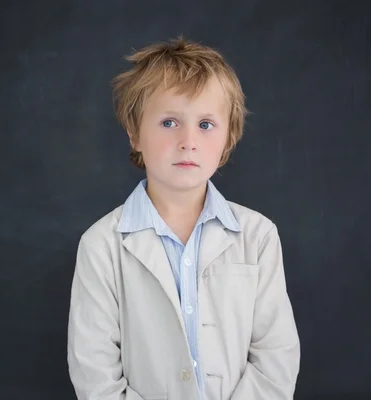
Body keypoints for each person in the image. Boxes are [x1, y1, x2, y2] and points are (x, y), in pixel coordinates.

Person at [67, 36, 300, 400]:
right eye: (169, 122)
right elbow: (94, 371)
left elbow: (276, 357)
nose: (188, 140)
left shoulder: (258, 236)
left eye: (206, 124)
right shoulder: (101, 245)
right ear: (135, 134)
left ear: (228, 138)